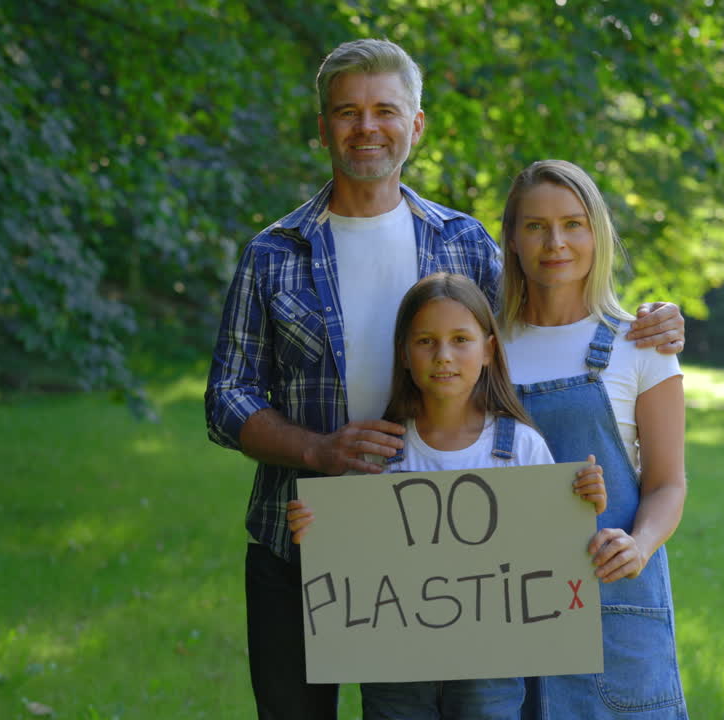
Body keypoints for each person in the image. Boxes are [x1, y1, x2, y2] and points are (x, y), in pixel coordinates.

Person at [204, 38, 685, 720]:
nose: (366, 127)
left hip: (455, 565)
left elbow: (544, 316)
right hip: (301, 540)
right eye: (347, 112)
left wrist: (649, 318)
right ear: (322, 129)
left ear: (416, 125)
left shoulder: (461, 241)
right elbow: (226, 398)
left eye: (385, 110)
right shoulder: (274, 252)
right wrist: (318, 451)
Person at [286, 272, 607, 719]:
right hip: (393, 664)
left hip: (491, 666)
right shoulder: (381, 454)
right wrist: (317, 531)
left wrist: (581, 502)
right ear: (404, 354)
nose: (443, 356)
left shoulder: (521, 447)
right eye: (426, 342)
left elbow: (551, 550)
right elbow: (352, 557)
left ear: (489, 350)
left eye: (460, 339)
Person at [499, 160, 689, 719]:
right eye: (535, 226)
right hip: (508, 607)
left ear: (597, 232)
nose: (555, 242)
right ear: (511, 239)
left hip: (614, 602)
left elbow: (668, 484)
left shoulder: (642, 345)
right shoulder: (482, 348)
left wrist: (641, 543)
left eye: (573, 224)